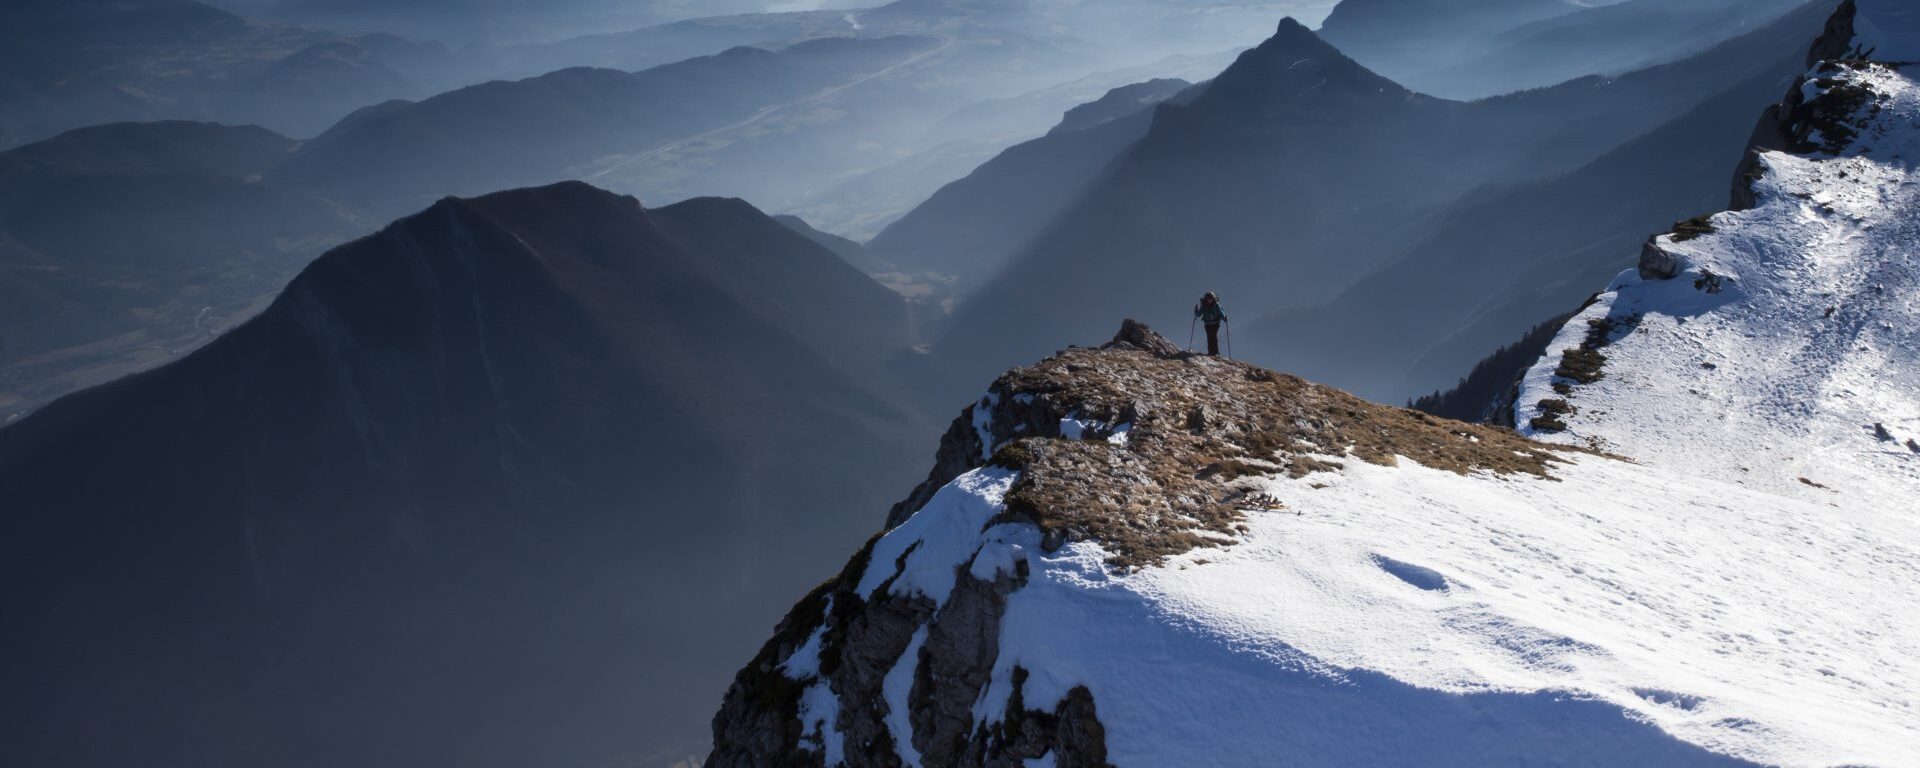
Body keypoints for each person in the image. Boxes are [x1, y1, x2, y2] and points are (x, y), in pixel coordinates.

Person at [1194, 292, 1227, 356]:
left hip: (1215, 324)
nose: (1209, 300)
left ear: (1213, 298)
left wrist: (1224, 317)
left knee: (1213, 336)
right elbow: (1198, 314)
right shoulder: (1204, 306)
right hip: (1207, 324)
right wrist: (1196, 311)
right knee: (1209, 337)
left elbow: (1220, 312)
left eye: (1210, 298)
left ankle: (1215, 352)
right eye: (1208, 299)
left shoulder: (1216, 305)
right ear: (1206, 299)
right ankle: (1211, 352)